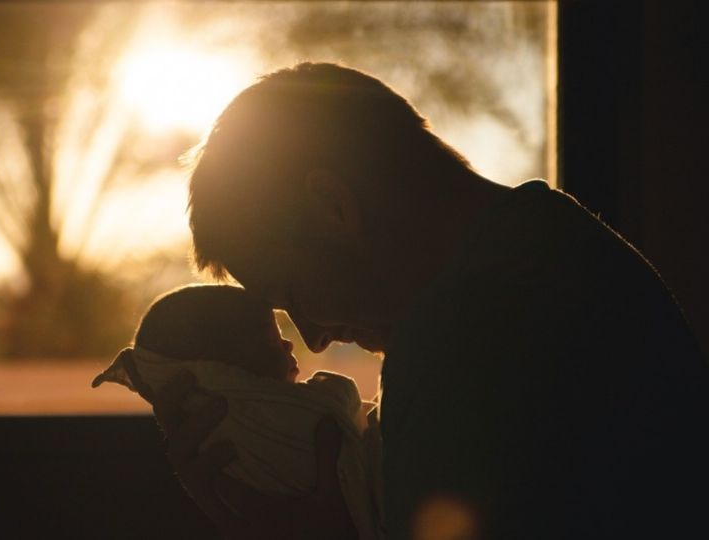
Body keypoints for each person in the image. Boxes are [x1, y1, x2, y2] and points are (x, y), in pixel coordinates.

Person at [151, 62, 709, 539]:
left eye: (290, 294)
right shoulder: (559, 244)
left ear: (331, 205)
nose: (313, 337)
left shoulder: (462, 336)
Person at [92, 284, 384, 538]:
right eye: (271, 340)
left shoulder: (214, 444)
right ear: (222, 373)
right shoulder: (259, 421)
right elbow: (339, 402)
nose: (295, 341)